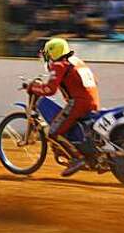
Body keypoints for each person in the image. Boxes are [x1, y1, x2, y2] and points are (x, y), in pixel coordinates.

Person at [27, 37, 101, 178]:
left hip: (79, 103)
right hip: (93, 101)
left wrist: (33, 87)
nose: (46, 58)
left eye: (47, 54)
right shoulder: (77, 62)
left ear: (53, 53)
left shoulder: (59, 65)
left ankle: (77, 158)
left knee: (53, 132)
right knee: (66, 125)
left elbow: (50, 90)